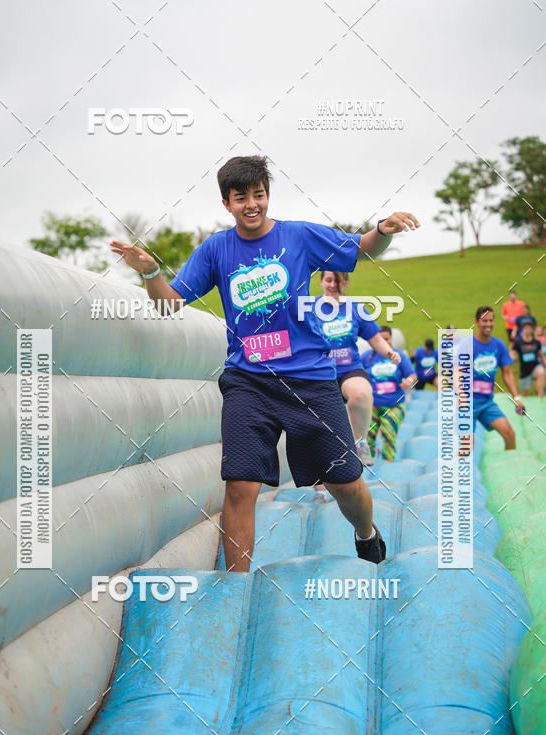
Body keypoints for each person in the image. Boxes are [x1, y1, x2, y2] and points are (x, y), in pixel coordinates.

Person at [111, 155, 420, 569]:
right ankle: (237, 590)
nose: (252, 204)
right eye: (241, 198)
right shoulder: (216, 249)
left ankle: (366, 533)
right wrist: (150, 274)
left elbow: (363, 248)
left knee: (344, 482)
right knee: (240, 485)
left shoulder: (299, 236)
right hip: (248, 382)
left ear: (268, 195)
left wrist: (383, 229)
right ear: (227, 203)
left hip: (309, 378)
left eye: (259, 194)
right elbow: (170, 305)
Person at [317, 270, 402, 464]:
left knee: (362, 394)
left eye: (338, 281)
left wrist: (389, 352)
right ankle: (321, 492)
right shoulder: (310, 308)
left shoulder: (356, 309)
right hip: (319, 373)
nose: (333, 285)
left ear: (346, 283)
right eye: (329, 280)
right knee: (322, 435)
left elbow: (375, 338)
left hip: (348, 369)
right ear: (321, 281)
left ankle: (361, 442)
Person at [462, 306, 524, 450]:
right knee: (467, 447)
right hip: (467, 404)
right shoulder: (467, 345)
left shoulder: (498, 345)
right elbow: (456, 372)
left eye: (491, 320)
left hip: (486, 403)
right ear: (477, 322)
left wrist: (516, 398)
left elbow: (507, 372)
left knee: (510, 434)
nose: (488, 324)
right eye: (485, 321)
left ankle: (511, 467)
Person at [362, 327, 416, 461]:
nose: (384, 342)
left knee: (388, 433)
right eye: (381, 339)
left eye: (386, 339)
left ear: (391, 339)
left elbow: (412, 374)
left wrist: (408, 381)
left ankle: (388, 466)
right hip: (371, 406)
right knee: (368, 437)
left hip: (394, 405)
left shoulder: (399, 356)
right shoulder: (367, 357)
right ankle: (369, 466)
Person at [512, 321, 546, 398]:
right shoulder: (518, 343)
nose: (528, 330)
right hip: (524, 370)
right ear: (523, 330)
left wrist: (544, 363)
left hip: (535, 366)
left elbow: (541, 355)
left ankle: (540, 398)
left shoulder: (536, 342)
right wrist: (512, 357)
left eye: (529, 328)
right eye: (526, 328)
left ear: (532, 330)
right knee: (525, 395)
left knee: (541, 372)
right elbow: (512, 353)